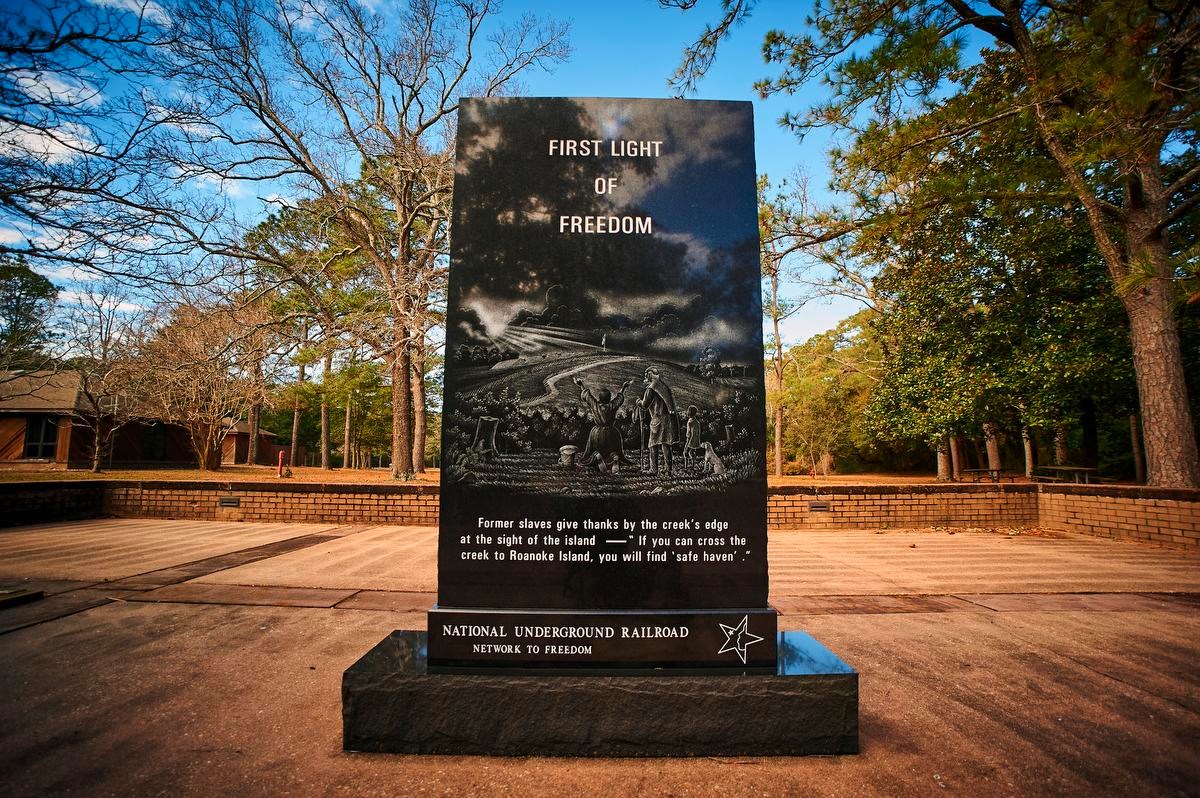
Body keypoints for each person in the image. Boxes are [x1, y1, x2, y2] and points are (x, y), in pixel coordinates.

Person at [573, 375, 635, 472]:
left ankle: (597, 455)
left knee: (593, 449)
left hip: (597, 433)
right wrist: (624, 387)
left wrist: (581, 384)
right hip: (611, 432)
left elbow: (587, 395)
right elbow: (620, 398)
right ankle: (614, 456)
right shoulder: (612, 405)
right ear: (609, 398)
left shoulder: (595, 404)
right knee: (613, 449)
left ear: (600, 398)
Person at [637, 366, 678, 476]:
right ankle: (668, 469)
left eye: (647, 375)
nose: (646, 377)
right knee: (665, 444)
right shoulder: (663, 386)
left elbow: (645, 405)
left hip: (658, 420)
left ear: (650, 375)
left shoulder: (651, 388)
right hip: (667, 419)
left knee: (653, 444)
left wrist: (638, 402)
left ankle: (654, 469)